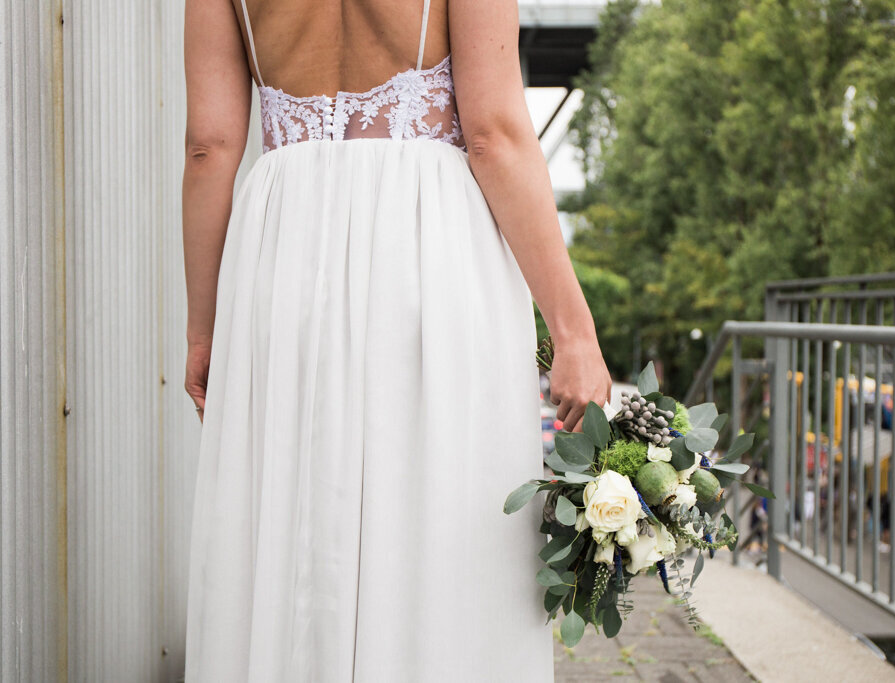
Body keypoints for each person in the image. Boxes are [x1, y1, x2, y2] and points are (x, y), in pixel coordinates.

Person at [180, 1, 612, 680]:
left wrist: (202, 327)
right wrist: (573, 329)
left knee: (289, 513)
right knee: (438, 517)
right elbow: (494, 134)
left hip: (281, 252)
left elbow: (209, 147)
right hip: (425, 247)